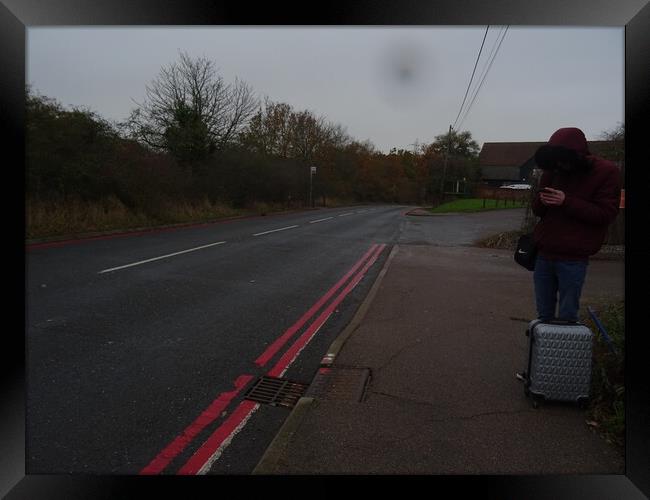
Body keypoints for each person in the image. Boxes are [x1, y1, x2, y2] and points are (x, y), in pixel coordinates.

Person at [529, 127, 621, 323]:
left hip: (573, 258)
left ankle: (566, 352)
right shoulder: (553, 168)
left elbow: (606, 214)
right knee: (543, 316)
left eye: (563, 161)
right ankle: (542, 352)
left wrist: (566, 201)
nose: (560, 167)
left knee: (567, 318)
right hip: (544, 253)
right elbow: (537, 210)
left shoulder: (606, 172)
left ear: (576, 156)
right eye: (555, 163)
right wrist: (542, 201)